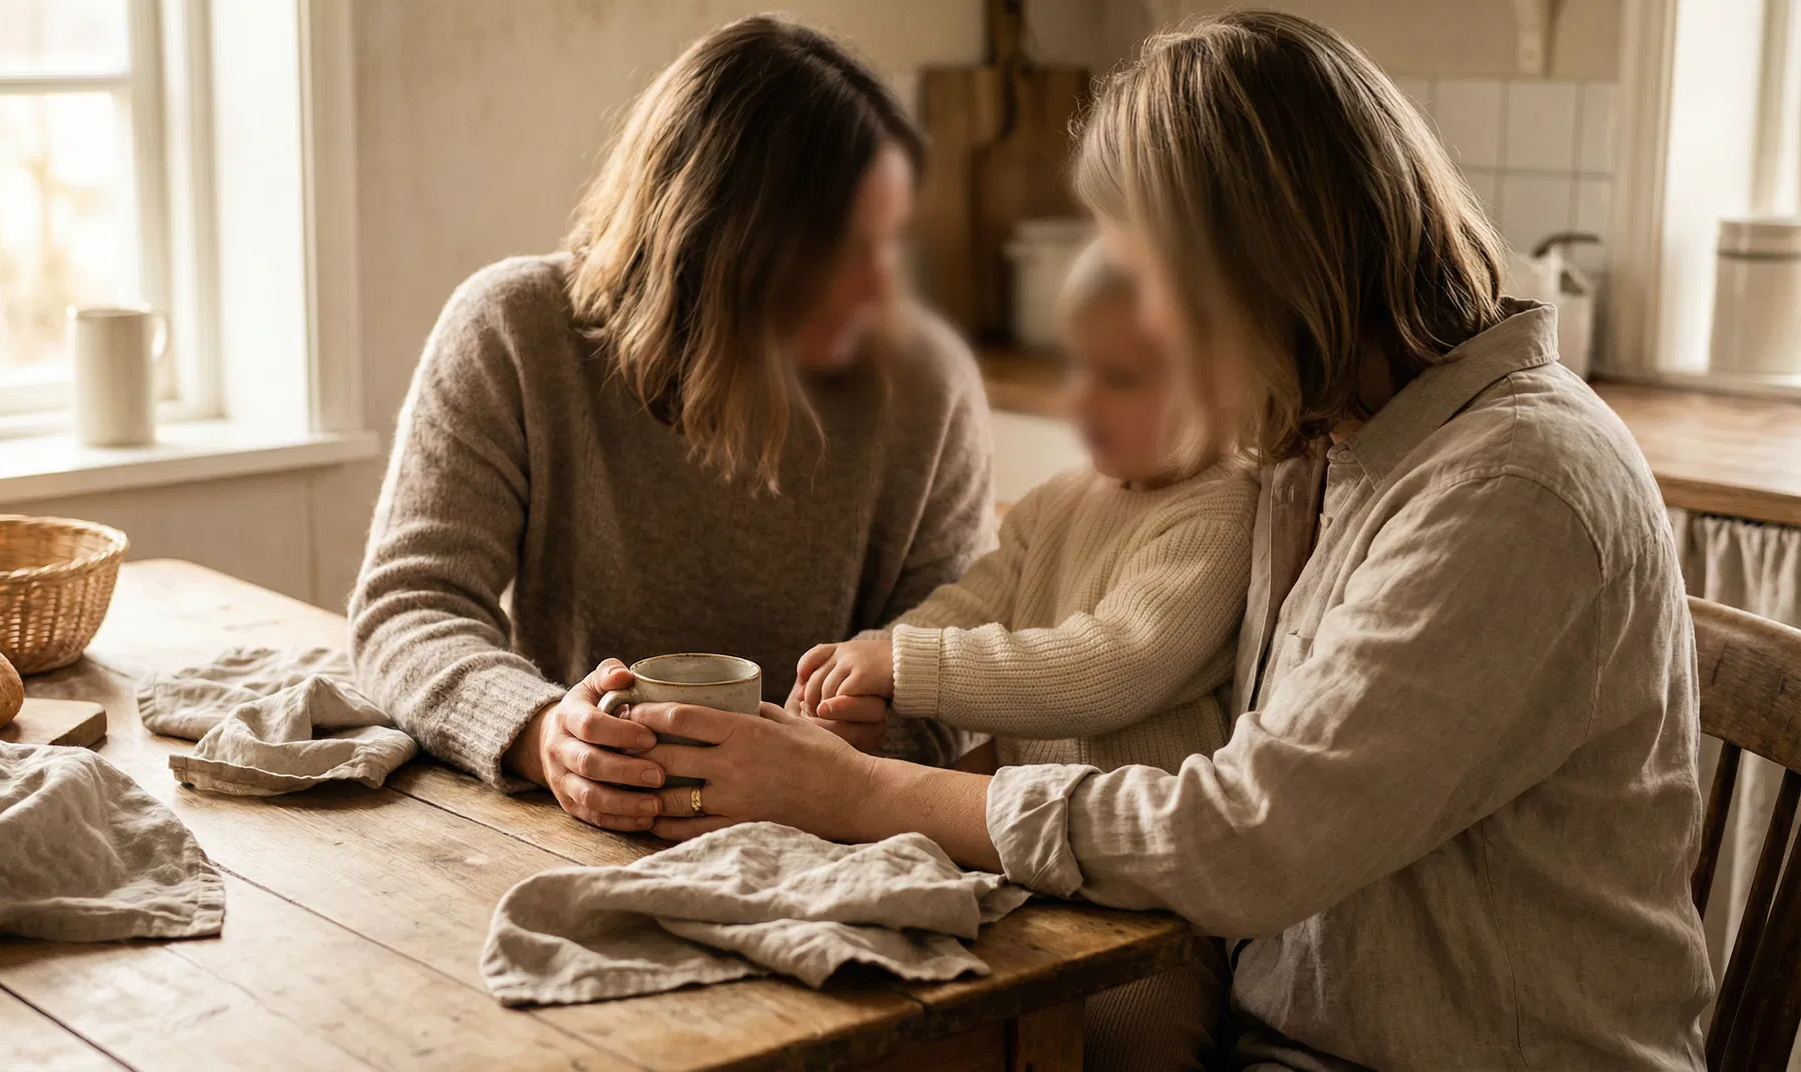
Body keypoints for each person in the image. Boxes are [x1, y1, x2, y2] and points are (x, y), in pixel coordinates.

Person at [619, 12, 1715, 1069]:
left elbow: (1247, 834)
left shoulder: (1513, 488)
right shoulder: (1327, 444)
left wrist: (855, 795)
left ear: (1260, 273)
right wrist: (905, 732)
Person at [348, 15, 995, 831]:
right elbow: (407, 608)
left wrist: (880, 725)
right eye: (844, 249)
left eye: (890, 243)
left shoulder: (925, 383)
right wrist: (543, 734)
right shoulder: (515, 331)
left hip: (826, 841)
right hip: (569, 831)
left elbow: (969, 654)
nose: (880, 291)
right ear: (714, 241)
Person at [794, 241, 1256, 1070]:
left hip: (1148, 914)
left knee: (1128, 1046)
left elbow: (1106, 667)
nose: (1082, 400)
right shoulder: (1061, 499)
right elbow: (976, 603)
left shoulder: (1221, 514)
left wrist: (914, 668)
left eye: (1121, 378)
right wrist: (877, 657)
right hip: (1020, 868)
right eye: (1075, 368)